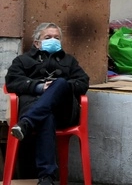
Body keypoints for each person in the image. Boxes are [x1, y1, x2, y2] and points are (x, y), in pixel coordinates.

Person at [5, 22, 90, 185]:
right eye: (48, 37)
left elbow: (83, 83)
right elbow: (12, 82)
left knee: (60, 83)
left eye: (57, 38)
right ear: (37, 42)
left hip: (64, 112)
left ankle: (26, 123)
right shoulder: (22, 60)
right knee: (46, 116)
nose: (53, 40)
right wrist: (39, 87)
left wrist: (59, 87)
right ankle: (46, 178)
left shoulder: (69, 61)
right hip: (36, 107)